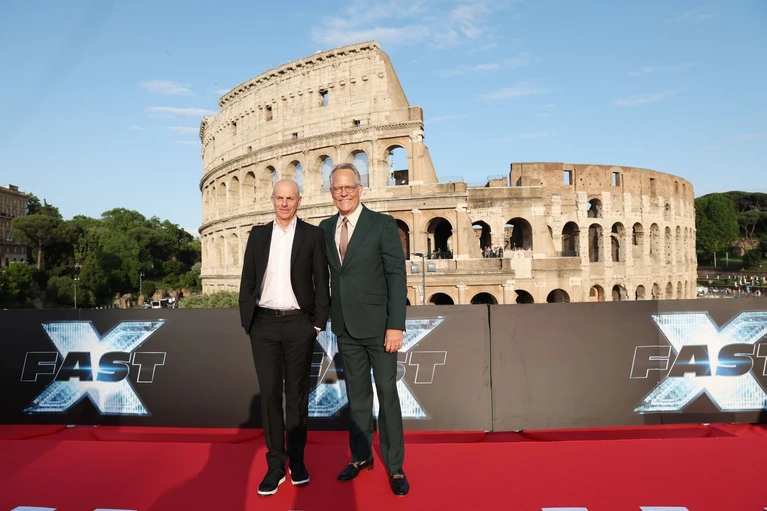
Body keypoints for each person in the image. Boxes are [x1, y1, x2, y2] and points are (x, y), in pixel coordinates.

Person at [318, 163, 410, 496]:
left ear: (360, 189)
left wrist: (395, 325)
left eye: (349, 187)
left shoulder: (381, 224)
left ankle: (395, 466)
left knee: (387, 395)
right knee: (356, 397)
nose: (343, 193)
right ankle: (361, 457)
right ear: (331, 193)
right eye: (337, 188)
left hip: (380, 328)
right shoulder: (326, 227)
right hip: (345, 326)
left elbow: (396, 276)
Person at [239, 178, 330, 496]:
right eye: (279, 197)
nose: (284, 203)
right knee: (269, 396)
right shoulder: (258, 234)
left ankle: (298, 461)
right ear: (272, 199)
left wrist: (316, 325)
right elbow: (248, 279)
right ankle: (275, 465)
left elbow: (321, 281)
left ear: (299, 200)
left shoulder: (312, 235)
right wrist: (248, 321)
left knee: (296, 397)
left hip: (298, 325)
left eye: (290, 198)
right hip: (263, 325)